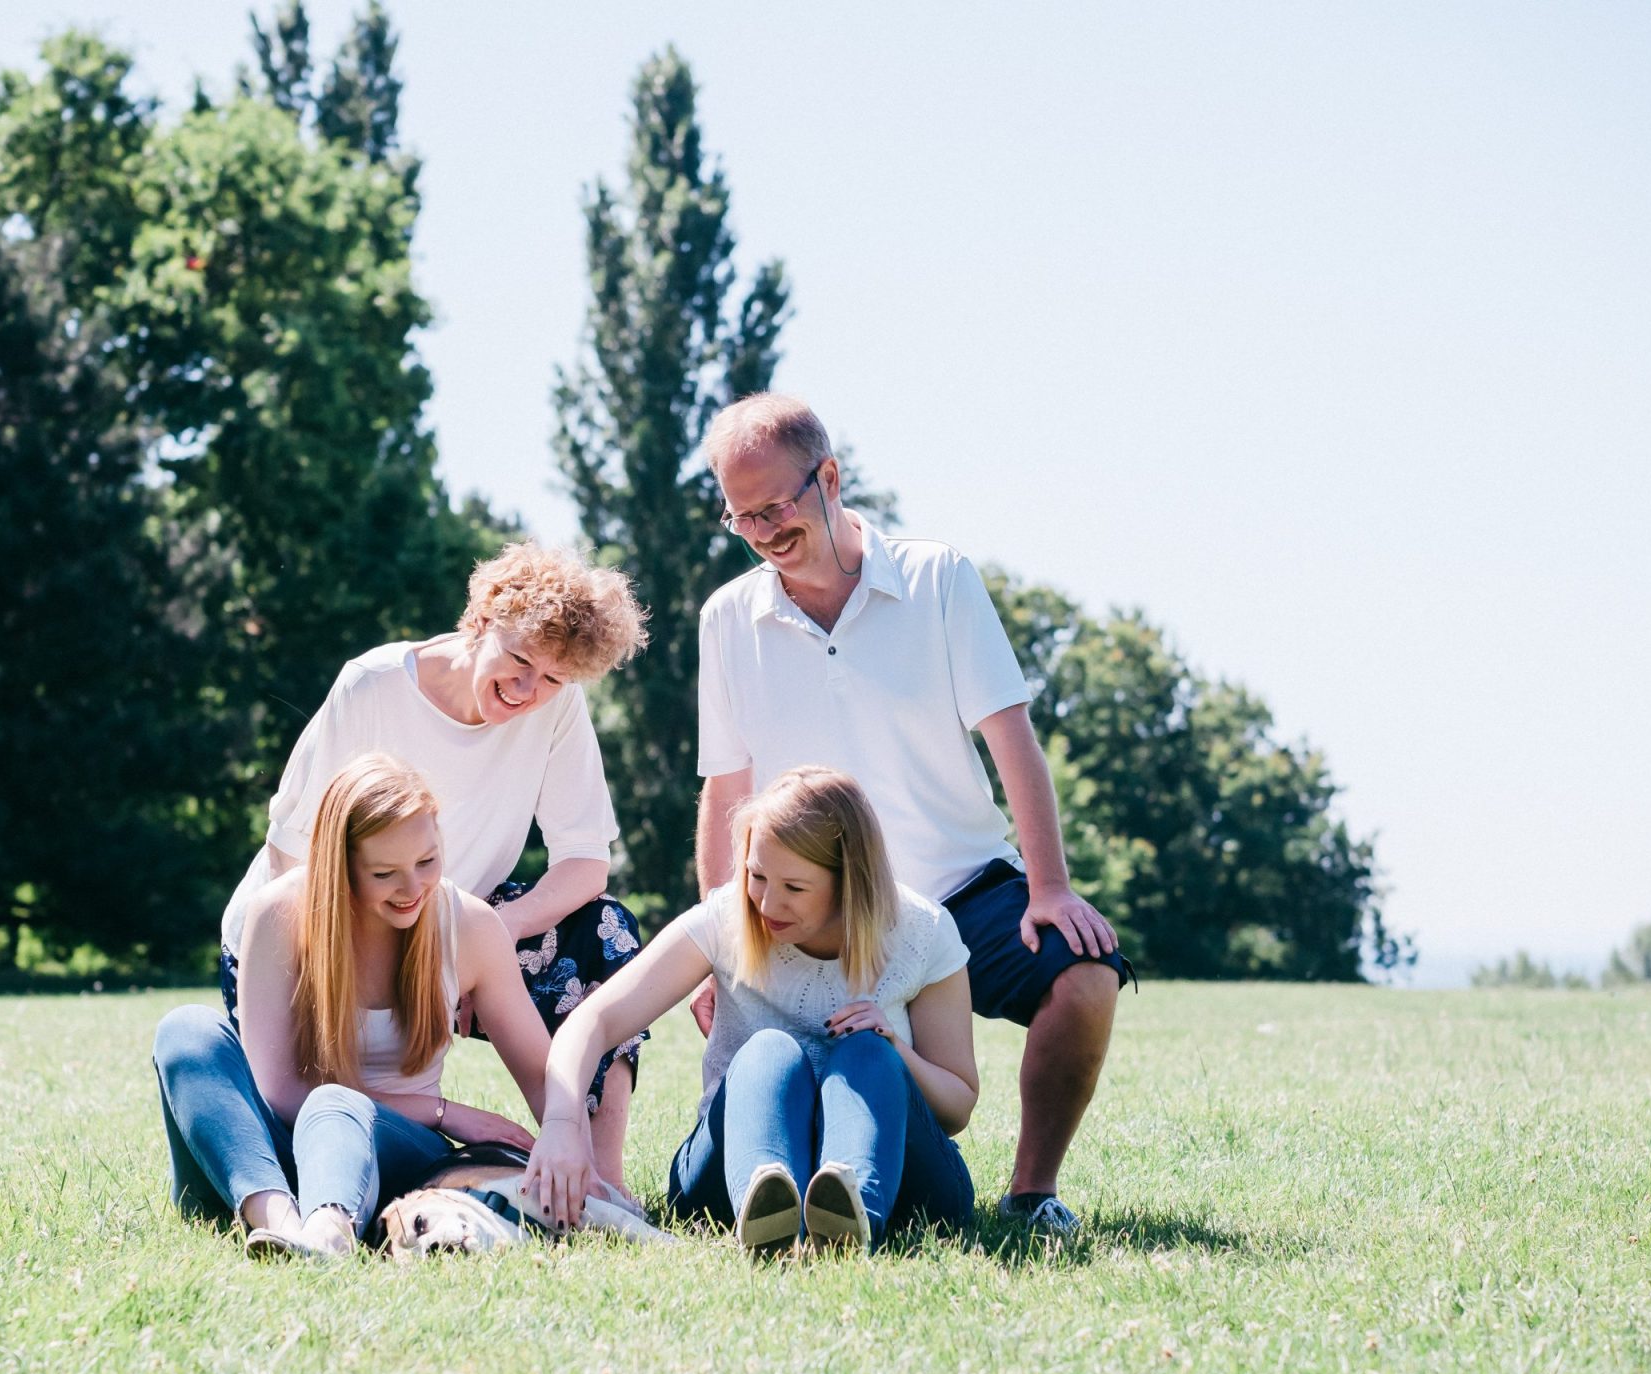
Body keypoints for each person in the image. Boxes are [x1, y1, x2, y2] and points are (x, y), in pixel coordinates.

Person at [691, 394, 1136, 1240]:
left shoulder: (937, 578)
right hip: (808, 904)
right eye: (740, 516)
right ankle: (799, 1187)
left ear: (830, 477)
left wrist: (1050, 890)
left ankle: (1031, 1195)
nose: (761, 531)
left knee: (1086, 973)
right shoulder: (727, 618)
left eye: (776, 507)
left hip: (958, 887)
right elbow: (725, 790)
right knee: (801, 1066)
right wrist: (722, 931)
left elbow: (1012, 741)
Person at [217, 541, 651, 1192]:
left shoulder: (557, 706)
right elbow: (290, 856)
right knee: (309, 1111)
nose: (530, 690)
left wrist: (488, 937)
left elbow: (586, 864)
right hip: (322, 932)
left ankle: (593, 1178)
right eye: (520, 660)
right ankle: (324, 1179)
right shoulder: (373, 685)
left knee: (607, 936)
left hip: (449, 926)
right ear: (480, 621)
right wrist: (378, 953)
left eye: (555, 679)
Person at [523, 767, 978, 1254]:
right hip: (726, 1177)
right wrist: (561, 1126)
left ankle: (849, 1220)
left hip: (906, 1182)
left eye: (795, 888)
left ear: (851, 882)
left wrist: (894, 1047)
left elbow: (957, 1107)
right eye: (756, 875)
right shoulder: (728, 917)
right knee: (768, 1051)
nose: (766, 902)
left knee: (867, 1050)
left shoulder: (921, 931)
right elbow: (594, 1020)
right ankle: (766, 1207)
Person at [153, 753, 559, 1257]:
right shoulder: (280, 912)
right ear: (339, 868)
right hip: (261, 1168)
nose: (413, 889)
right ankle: (281, 1224)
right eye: (385, 873)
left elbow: (544, 1077)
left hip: (391, 1161)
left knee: (334, 1101)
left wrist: (579, 1157)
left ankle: (325, 1236)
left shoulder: (469, 926)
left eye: (427, 862)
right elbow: (278, 1093)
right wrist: (443, 1112)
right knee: (186, 1029)